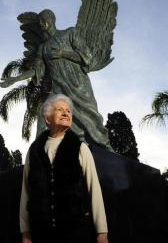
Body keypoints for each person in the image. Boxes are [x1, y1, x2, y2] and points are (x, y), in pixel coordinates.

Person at [0, 9, 112, 151]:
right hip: (58, 88)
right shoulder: (43, 48)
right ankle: (40, 151)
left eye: (43, 19)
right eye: (39, 21)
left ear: (51, 20)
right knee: (44, 113)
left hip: (78, 84)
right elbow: (36, 70)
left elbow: (86, 56)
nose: (41, 23)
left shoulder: (69, 33)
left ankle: (105, 147)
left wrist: (63, 53)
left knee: (89, 116)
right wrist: (15, 79)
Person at [19, 93, 108, 243]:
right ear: (47, 118)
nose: (66, 113)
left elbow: (94, 189)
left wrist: (102, 232)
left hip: (75, 232)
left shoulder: (81, 148)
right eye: (60, 109)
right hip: (41, 232)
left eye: (68, 111)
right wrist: (25, 232)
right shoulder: (34, 150)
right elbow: (26, 192)